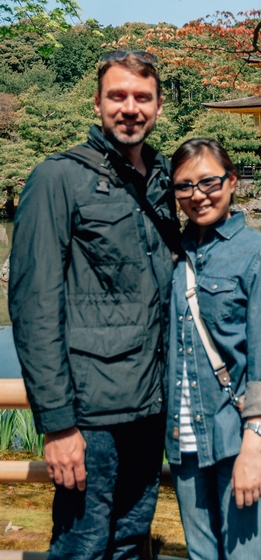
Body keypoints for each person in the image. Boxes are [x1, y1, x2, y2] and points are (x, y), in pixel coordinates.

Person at [8, 51, 177, 560]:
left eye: (141, 97)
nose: (130, 108)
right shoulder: (58, 178)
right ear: (98, 103)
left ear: (159, 106)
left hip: (151, 405)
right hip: (90, 414)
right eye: (117, 96)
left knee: (129, 541)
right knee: (81, 545)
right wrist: (58, 424)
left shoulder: (164, 180)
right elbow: (34, 306)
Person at [168, 138, 261, 560]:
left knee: (245, 556)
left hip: (236, 437)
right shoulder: (173, 254)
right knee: (201, 555)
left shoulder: (260, 255)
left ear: (233, 181)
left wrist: (252, 450)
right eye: (184, 186)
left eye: (208, 182)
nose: (197, 195)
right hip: (183, 439)